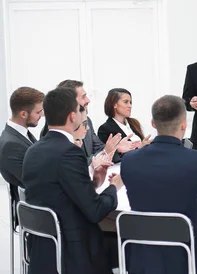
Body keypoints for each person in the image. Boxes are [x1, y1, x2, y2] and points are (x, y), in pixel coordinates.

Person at [119, 95, 197, 274]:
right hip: (186, 256)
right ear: (184, 124)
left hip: (142, 255)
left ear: (153, 124)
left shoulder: (130, 160)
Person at [22, 87, 124, 274]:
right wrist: (114, 186)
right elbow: (95, 211)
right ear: (72, 116)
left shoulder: (33, 150)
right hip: (72, 250)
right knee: (132, 241)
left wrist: (94, 182)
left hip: (42, 247)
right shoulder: (70, 152)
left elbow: (60, 192)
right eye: (79, 110)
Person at [41, 80, 128, 163]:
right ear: (70, 101)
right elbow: (73, 162)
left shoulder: (87, 120)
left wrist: (115, 149)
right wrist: (105, 152)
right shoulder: (54, 130)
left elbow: (98, 147)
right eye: (83, 97)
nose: (88, 100)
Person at [0, 87, 44, 230]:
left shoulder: (21, 134)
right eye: (38, 112)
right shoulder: (10, 144)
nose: (42, 115)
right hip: (34, 210)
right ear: (23, 114)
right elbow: (33, 182)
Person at [98, 88, 151, 152]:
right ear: (114, 105)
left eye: (130, 102)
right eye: (126, 102)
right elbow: (113, 156)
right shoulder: (105, 129)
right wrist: (140, 148)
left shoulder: (134, 123)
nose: (130, 106)